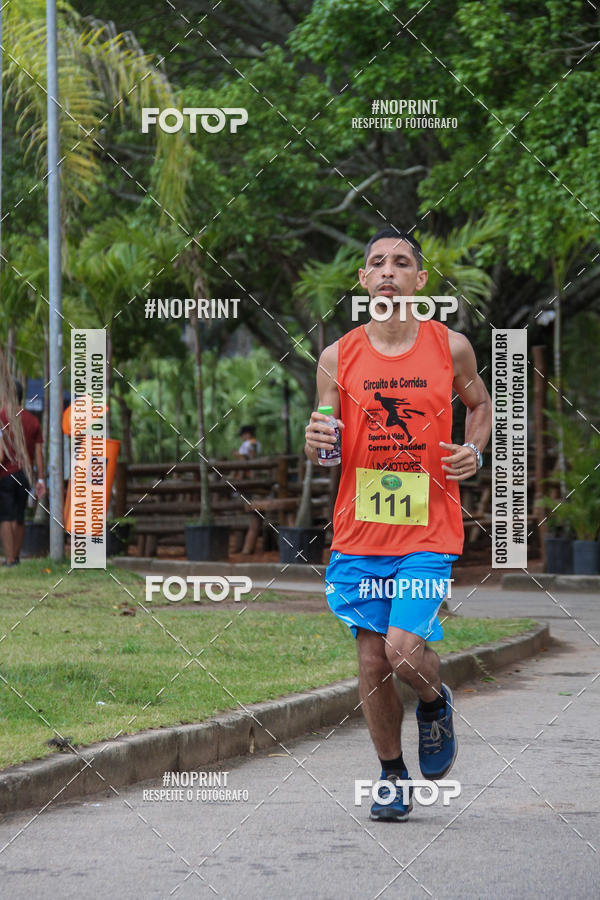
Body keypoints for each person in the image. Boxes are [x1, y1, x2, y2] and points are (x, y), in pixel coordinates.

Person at [304, 226, 492, 821]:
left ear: (419, 280)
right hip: (360, 530)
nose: (389, 270)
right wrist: (316, 443)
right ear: (363, 281)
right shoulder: (337, 357)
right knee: (370, 659)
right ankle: (391, 775)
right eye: (378, 263)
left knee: (404, 652)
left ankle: (434, 700)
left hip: (427, 527)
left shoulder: (450, 347)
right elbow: (326, 443)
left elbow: (481, 405)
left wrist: (475, 450)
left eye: (402, 262)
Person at [0, 380, 47, 565]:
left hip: (5, 475)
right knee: (19, 516)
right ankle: (16, 556)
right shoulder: (32, 420)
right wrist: (41, 479)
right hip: (25, 475)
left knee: (5, 517)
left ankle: (10, 559)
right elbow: (38, 453)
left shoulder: (1, 417)